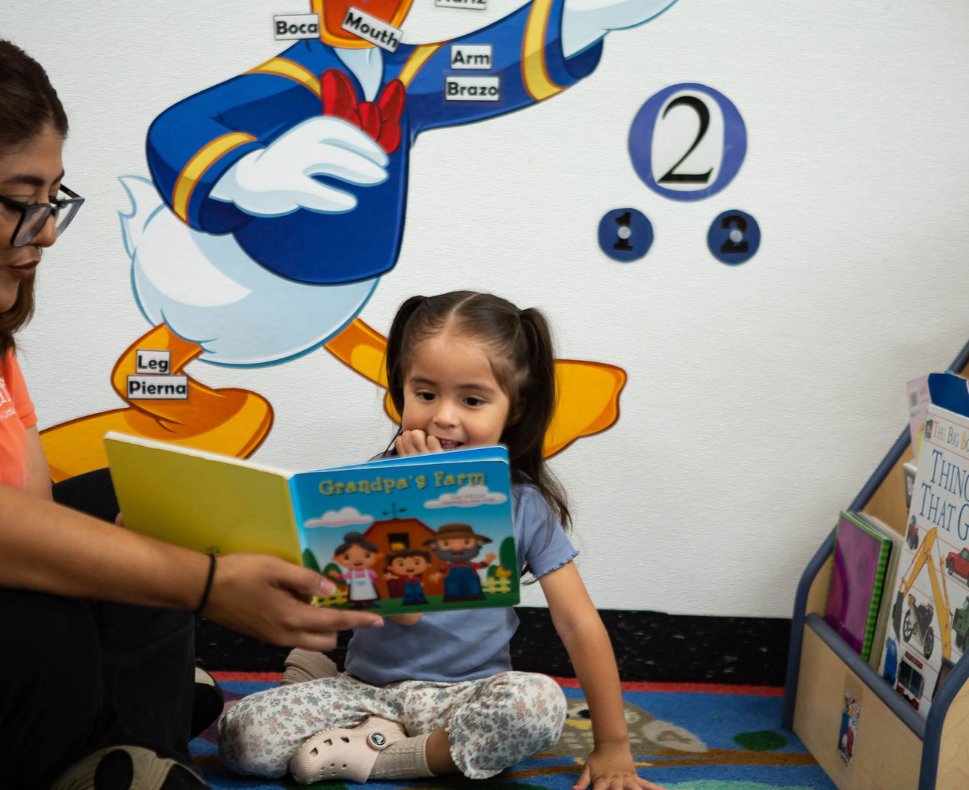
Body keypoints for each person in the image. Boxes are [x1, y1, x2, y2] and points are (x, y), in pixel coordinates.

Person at [0, 23, 381, 790]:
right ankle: (115, 726)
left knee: (135, 504)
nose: (49, 231)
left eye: (53, 198)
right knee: (34, 630)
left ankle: (125, 750)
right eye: (22, 201)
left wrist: (161, 552)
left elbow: (31, 530)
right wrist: (196, 580)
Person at [217, 291, 666, 790]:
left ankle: (379, 752)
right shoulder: (367, 490)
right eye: (425, 394)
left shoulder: (522, 504)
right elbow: (404, 611)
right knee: (243, 736)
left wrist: (613, 747)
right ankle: (339, 699)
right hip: (367, 689)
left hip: (463, 700)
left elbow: (578, 623)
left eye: (472, 400)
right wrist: (410, 490)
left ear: (514, 408)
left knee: (538, 706)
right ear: (401, 390)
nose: (444, 417)